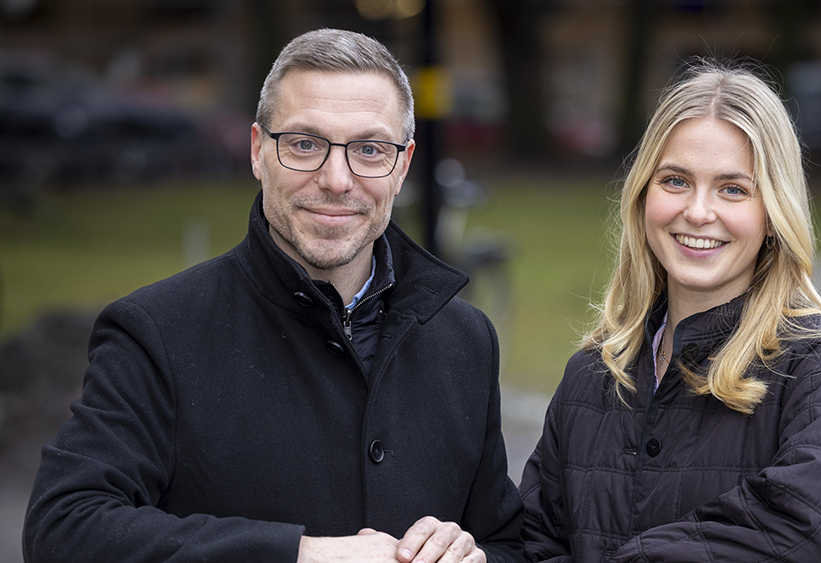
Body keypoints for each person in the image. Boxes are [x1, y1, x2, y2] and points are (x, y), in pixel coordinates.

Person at [23, 28, 524, 563]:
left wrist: (477, 557)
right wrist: (302, 554)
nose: (337, 179)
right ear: (259, 151)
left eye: (370, 149)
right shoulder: (157, 331)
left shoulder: (466, 340)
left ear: (401, 166)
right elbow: (64, 529)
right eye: (305, 144)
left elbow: (512, 543)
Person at [519, 61, 821, 562]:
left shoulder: (814, 367)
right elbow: (537, 543)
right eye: (675, 180)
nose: (697, 212)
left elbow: (812, 533)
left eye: (732, 189)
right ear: (643, 195)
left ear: (773, 214)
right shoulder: (591, 377)